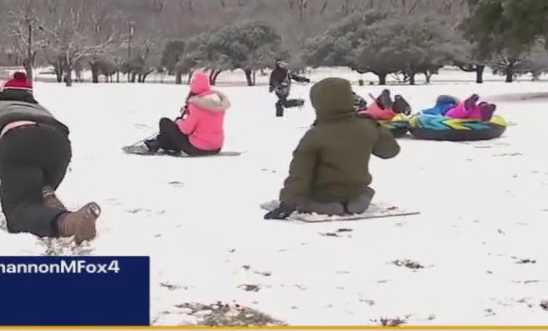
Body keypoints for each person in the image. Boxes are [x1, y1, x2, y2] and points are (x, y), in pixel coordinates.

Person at [0, 72, 100, 243]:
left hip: (18, 140)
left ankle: (68, 223)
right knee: (33, 187)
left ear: (2, 93)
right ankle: (46, 194)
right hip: (59, 144)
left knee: (19, 211)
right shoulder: (40, 109)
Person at [264, 77, 401, 220]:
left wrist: (287, 204)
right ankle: (353, 201)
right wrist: (376, 125)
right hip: (356, 191)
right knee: (361, 192)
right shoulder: (367, 126)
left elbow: (300, 175)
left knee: (308, 200)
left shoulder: (315, 135)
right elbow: (390, 151)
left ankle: (331, 207)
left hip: (324, 195)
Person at [141, 71, 230, 156]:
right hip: (216, 147)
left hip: (198, 148)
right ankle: (160, 143)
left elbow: (186, 129)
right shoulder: (218, 103)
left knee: (164, 122)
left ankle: (162, 144)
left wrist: (179, 121)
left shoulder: (197, 105)